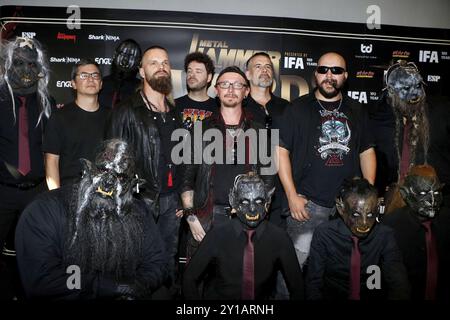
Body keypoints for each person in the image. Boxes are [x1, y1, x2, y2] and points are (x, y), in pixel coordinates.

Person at [15, 139, 168, 300]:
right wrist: (107, 286)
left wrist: (138, 286)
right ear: (87, 169)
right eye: (102, 170)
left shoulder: (139, 212)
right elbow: (42, 279)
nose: (109, 182)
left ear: (132, 185)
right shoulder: (45, 210)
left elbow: (157, 262)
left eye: (121, 177)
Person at [275, 52, 376, 270]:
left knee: (340, 273)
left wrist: (367, 195)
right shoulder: (297, 108)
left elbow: (367, 151)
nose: (329, 75)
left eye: (336, 71)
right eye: (323, 70)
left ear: (345, 76)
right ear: (316, 74)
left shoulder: (357, 110)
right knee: (293, 272)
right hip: (307, 205)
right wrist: (292, 196)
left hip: (349, 206)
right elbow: (280, 151)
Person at [107, 46, 183, 290]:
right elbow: (111, 163)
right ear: (141, 71)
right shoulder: (126, 111)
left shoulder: (175, 113)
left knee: (166, 263)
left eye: (165, 62)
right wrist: (121, 204)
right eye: (153, 63)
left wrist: (184, 196)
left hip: (172, 202)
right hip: (139, 201)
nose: (161, 67)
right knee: (135, 263)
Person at [180, 66, 274, 261]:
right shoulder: (200, 129)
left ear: (246, 91)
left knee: (239, 284)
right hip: (205, 219)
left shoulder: (260, 131)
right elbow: (187, 177)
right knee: (197, 284)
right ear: (217, 89)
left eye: (237, 85)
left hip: (246, 219)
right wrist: (191, 218)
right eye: (225, 84)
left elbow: (269, 180)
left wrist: (257, 215)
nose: (230, 89)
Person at [183, 172, 303, 300]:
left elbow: (298, 287)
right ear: (234, 203)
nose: (252, 209)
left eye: (258, 202)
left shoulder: (279, 238)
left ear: (267, 203)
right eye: (245, 202)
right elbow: (189, 278)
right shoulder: (218, 235)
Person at [0, 37, 53, 298]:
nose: (25, 70)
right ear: (8, 65)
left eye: (31, 64)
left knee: (35, 250)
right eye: (19, 63)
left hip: (36, 191)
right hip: (3, 191)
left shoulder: (47, 103)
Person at [306, 178, 410, 300]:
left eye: (370, 214)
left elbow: (398, 280)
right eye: (356, 215)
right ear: (341, 209)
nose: (364, 223)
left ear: (377, 207)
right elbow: (313, 282)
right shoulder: (325, 234)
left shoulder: (384, 235)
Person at [370, 61, 450, 210]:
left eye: (418, 86)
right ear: (391, 91)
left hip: (438, 201)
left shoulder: (442, 111)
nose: (414, 94)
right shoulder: (378, 119)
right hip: (397, 204)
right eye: (406, 88)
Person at [383, 165, 450, 300]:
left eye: (436, 193)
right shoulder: (390, 228)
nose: (432, 201)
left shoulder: (447, 220)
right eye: (423, 194)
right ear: (405, 194)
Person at [43, 59, 109, 190]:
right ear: (73, 84)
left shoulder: (112, 117)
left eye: (95, 75)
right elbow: (51, 162)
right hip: (69, 192)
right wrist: (56, 198)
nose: (90, 79)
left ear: (101, 84)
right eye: (84, 75)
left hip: (103, 193)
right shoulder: (59, 117)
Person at [245, 52, 289, 229]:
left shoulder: (287, 108)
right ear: (247, 74)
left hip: (282, 191)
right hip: (248, 191)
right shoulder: (238, 107)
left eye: (268, 67)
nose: (264, 70)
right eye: (258, 66)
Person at [175, 52, 218, 130]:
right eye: (189, 71)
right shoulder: (174, 106)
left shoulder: (218, 108)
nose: (192, 75)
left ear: (209, 77)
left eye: (198, 72)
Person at [98, 39, 142, 108]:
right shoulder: (101, 84)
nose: (125, 60)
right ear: (115, 55)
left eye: (131, 56)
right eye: (122, 54)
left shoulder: (141, 89)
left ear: (138, 62)